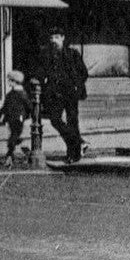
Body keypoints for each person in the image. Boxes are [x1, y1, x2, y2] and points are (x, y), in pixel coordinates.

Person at [35, 24, 88, 164]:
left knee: (72, 122)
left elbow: (84, 72)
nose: (54, 40)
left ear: (63, 38)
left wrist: (76, 86)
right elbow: (40, 72)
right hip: (55, 93)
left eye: (57, 37)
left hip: (70, 92)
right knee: (55, 119)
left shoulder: (72, 54)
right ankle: (78, 142)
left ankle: (73, 154)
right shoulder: (46, 54)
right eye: (51, 37)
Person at [0, 70, 31, 167]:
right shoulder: (11, 93)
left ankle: (10, 156)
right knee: (14, 136)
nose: (8, 82)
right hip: (12, 119)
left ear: (15, 81)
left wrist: (26, 115)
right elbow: (5, 107)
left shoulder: (21, 93)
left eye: (10, 80)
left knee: (13, 136)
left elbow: (28, 106)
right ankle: (20, 149)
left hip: (18, 118)